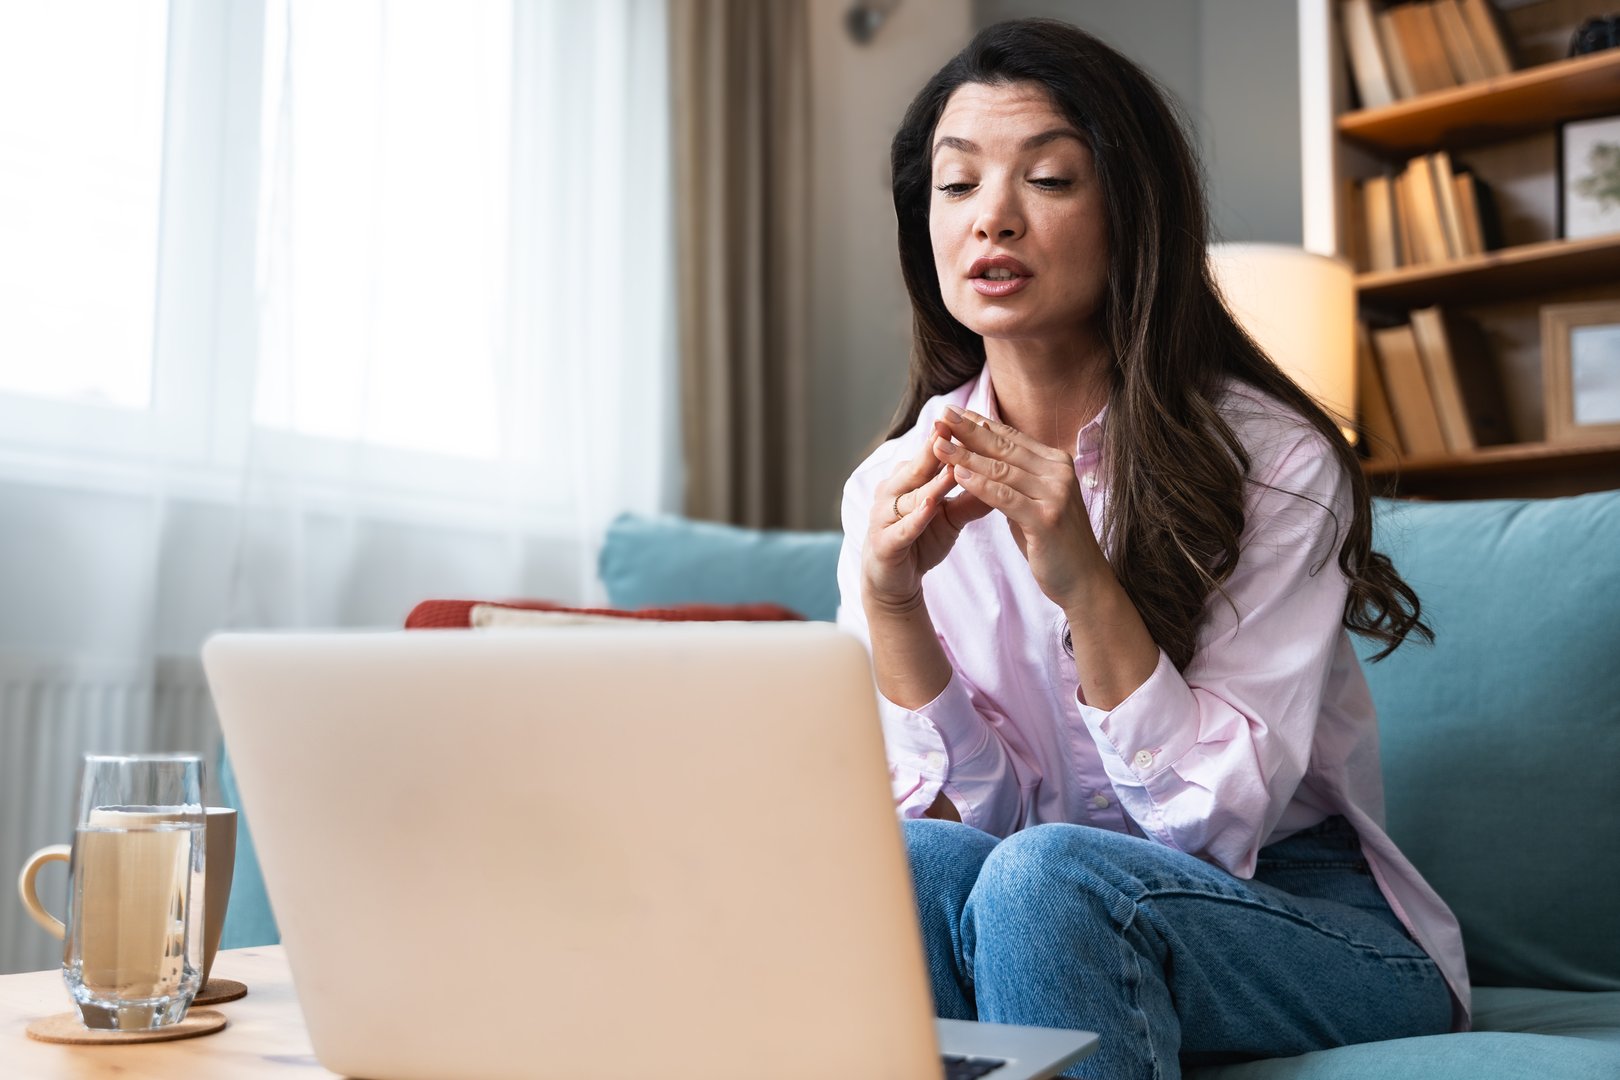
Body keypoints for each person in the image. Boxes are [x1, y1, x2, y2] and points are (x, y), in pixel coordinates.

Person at [833, 18, 1468, 1080]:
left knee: (1045, 881)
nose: (992, 216)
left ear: (1131, 215)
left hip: (1296, 909)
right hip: (1039, 900)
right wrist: (893, 604)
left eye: (1047, 177)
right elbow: (956, 838)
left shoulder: (1271, 459)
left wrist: (1080, 573)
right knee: (911, 864)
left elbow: (1213, 827)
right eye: (956, 186)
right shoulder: (887, 486)